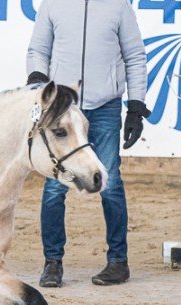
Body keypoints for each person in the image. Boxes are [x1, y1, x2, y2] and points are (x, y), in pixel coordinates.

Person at [26, 0, 150, 287]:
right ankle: (52, 263)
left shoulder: (118, 5)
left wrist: (136, 106)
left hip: (106, 107)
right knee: (55, 188)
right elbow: (38, 51)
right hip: (63, 108)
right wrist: (36, 82)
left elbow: (135, 56)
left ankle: (118, 262)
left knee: (111, 184)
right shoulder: (52, 4)